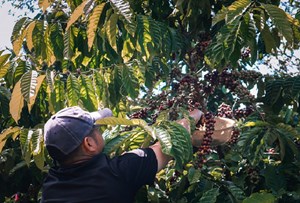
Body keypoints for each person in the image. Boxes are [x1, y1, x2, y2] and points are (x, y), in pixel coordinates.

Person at [41, 106, 202, 203]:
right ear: (89, 144)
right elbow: (172, 142)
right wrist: (195, 115)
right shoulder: (119, 172)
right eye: (97, 129)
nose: (101, 130)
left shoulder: (50, 187)